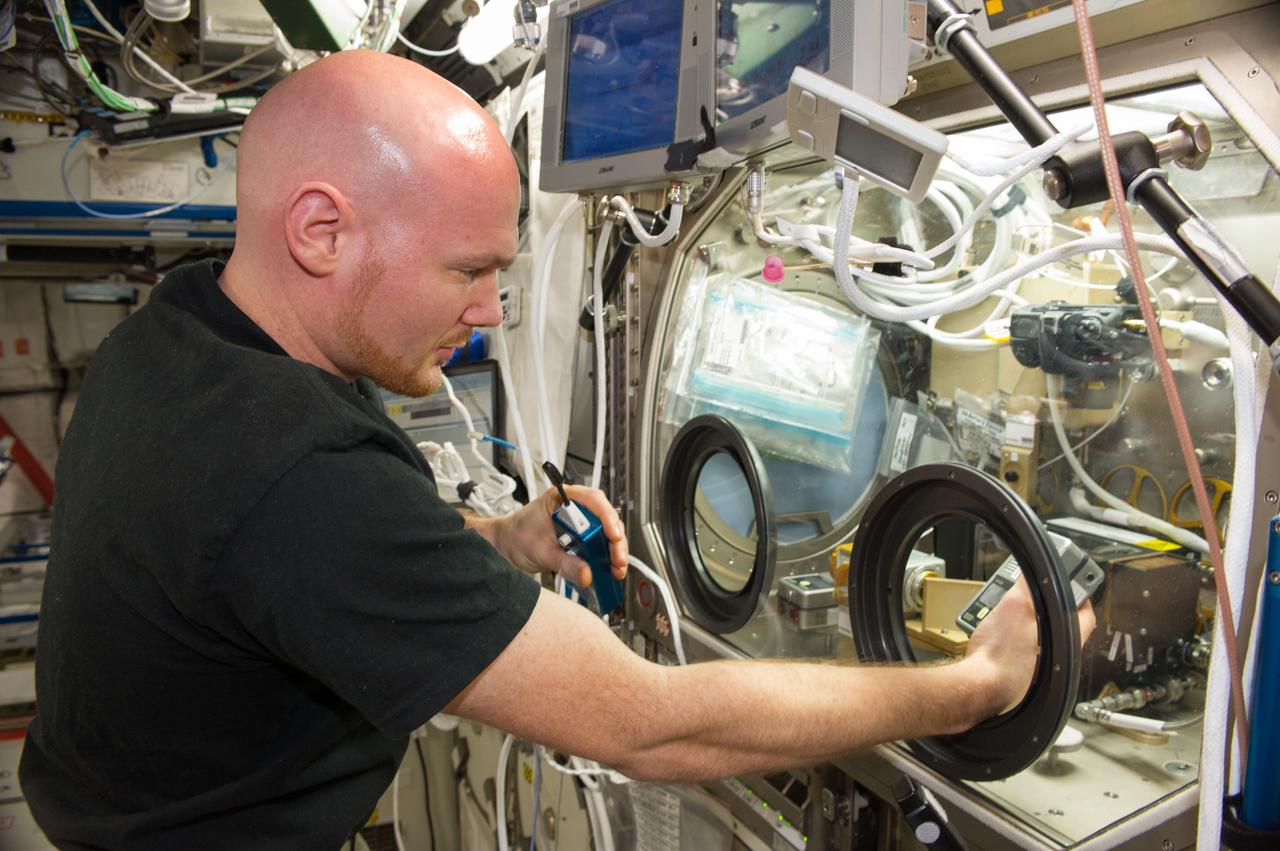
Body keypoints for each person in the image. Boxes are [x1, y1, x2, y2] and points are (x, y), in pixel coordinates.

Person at [20, 50, 1090, 850]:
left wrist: (498, 539)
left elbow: (283, 562)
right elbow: (652, 728)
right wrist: (973, 682)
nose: (489, 310)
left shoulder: (175, 335)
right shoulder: (295, 467)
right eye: (466, 269)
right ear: (321, 230)